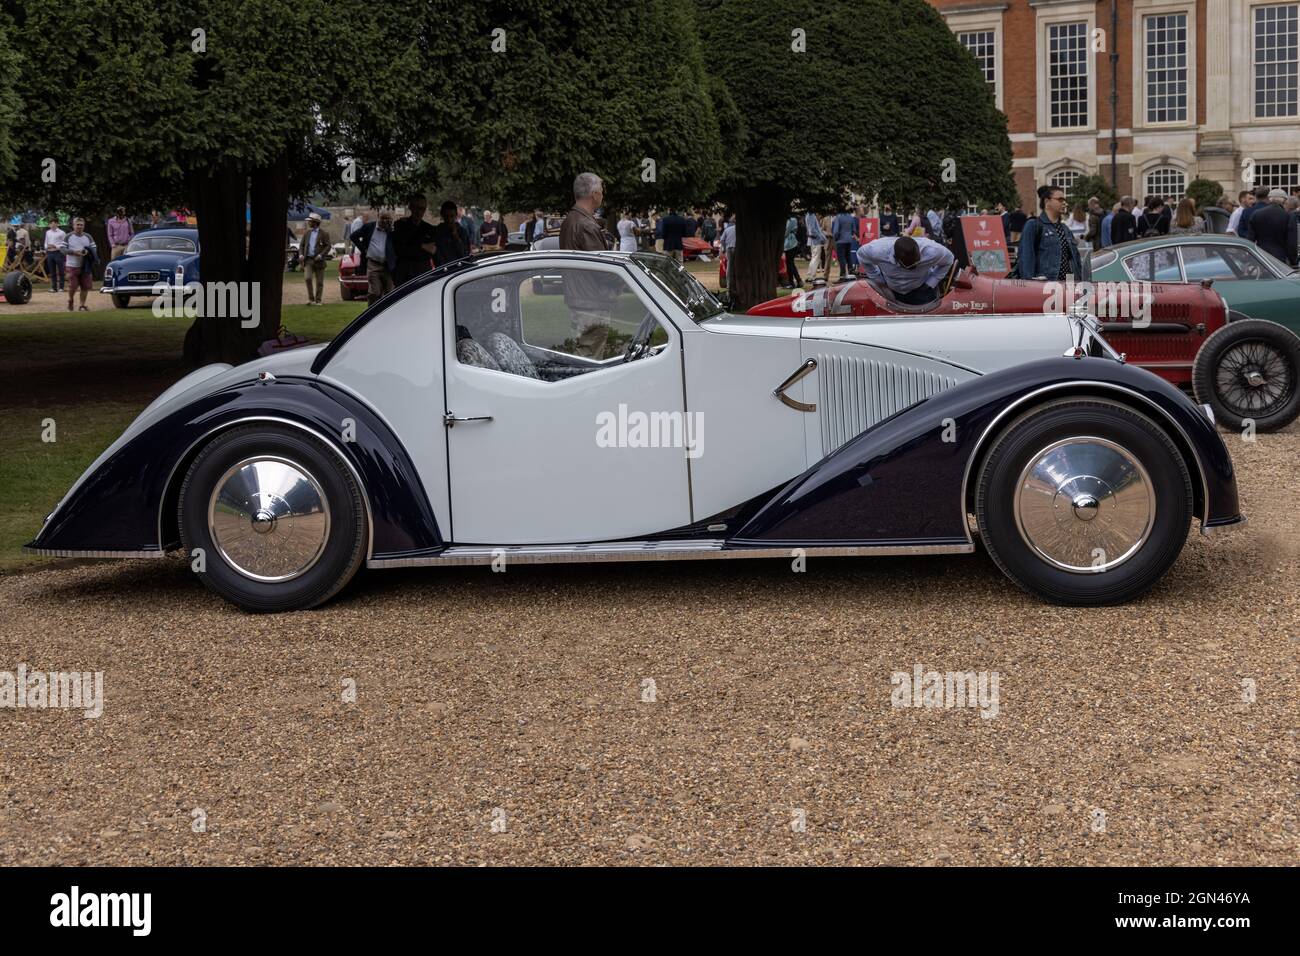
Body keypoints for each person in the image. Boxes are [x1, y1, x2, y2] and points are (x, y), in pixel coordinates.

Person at [558, 172, 616, 358]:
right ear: (594, 194)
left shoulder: (571, 220)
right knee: (590, 359)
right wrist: (626, 280)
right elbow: (602, 270)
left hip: (580, 299)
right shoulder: (585, 225)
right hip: (591, 303)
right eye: (601, 190)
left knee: (584, 354)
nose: (602, 195)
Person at [855, 234, 954, 305]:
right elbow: (861, 255)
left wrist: (930, 283)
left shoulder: (932, 251)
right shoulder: (877, 250)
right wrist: (879, 281)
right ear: (896, 259)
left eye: (917, 264)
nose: (913, 268)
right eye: (910, 267)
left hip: (923, 291)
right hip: (890, 292)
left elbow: (949, 260)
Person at [1018, 185, 1088, 281]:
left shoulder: (1065, 229)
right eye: (1060, 199)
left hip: (1067, 288)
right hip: (1044, 288)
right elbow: (1026, 258)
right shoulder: (1033, 225)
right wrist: (1029, 285)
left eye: (1064, 200)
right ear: (1047, 202)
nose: (1064, 203)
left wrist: (1077, 283)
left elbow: (1073, 261)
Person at [350, 210, 398, 303]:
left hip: (388, 265)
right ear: (378, 217)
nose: (385, 221)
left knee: (390, 292)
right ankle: (371, 311)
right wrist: (363, 249)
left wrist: (391, 230)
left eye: (387, 219)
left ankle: (387, 314)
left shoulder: (392, 230)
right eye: (382, 218)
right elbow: (353, 236)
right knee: (375, 292)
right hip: (373, 264)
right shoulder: (369, 227)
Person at [392, 194, 438, 285]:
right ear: (410, 208)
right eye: (416, 208)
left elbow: (430, 252)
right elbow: (400, 250)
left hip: (423, 273)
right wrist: (422, 246)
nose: (419, 212)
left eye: (422, 209)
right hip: (404, 275)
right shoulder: (400, 225)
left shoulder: (430, 229)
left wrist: (413, 247)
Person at [1249, 189, 1298, 267]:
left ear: (1269, 199)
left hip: (1260, 257)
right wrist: (1293, 261)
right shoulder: (1288, 216)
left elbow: (1250, 239)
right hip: (1280, 259)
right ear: (1284, 201)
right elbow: (1291, 243)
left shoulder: (1256, 214)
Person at [64, 218, 98, 312]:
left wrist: (88, 251)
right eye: (77, 224)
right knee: (73, 286)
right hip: (72, 265)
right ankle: (71, 299)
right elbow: (62, 249)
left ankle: (82, 305)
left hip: (85, 265)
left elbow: (94, 248)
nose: (79, 226)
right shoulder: (68, 236)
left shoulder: (88, 236)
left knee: (85, 286)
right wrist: (73, 252)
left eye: (81, 225)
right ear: (73, 225)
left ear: (84, 226)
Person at [298, 212, 331, 304]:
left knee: (319, 282)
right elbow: (301, 245)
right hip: (308, 260)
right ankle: (311, 299)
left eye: (310, 221)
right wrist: (301, 254)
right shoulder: (307, 233)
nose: (308, 223)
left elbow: (328, 246)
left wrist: (321, 255)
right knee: (308, 278)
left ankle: (318, 300)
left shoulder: (324, 233)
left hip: (319, 261)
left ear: (315, 222)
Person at [432, 200, 470, 266]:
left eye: (452, 216)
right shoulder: (437, 231)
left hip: (459, 270)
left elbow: (465, 255)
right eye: (446, 216)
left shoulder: (462, 231)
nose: (449, 220)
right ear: (442, 215)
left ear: (456, 216)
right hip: (442, 270)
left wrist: (456, 236)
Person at [831, 205, 858, 281]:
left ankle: (842, 275)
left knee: (841, 258)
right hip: (849, 240)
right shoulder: (851, 217)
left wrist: (835, 238)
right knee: (848, 257)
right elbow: (854, 230)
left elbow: (836, 231)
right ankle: (851, 274)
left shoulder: (838, 217)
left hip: (840, 240)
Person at [43, 219, 67, 293]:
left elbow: (64, 243)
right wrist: (47, 247)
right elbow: (46, 242)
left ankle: (61, 287)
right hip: (50, 253)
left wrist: (55, 246)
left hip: (58, 253)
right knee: (52, 271)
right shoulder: (48, 232)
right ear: (49, 225)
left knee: (61, 270)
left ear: (57, 224)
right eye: (51, 224)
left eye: (54, 223)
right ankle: (54, 287)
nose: (52, 225)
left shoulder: (62, 233)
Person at [804, 209, 826, 281]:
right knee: (815, 259)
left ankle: (810, 275)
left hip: (812, 240)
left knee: (813, 258)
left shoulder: (807, 215)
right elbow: (813, 230)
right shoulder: (811, 216)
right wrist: (821, 238)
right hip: (816, 240)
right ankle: (812, 276)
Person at [782, 214, 802, 288]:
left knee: (789, 264)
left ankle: (792, 283)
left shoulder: (791, 220)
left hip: (790, 244)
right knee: (791, 264)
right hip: (792, 243)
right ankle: (798, 280)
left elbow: (786, 232)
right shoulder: (794, 219)